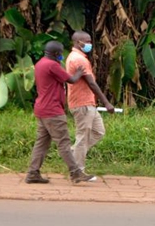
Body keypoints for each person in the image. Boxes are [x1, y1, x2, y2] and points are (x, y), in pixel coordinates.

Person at [26, 41, 95, 184]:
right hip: (53, 111)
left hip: (41, 109)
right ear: (57, 54)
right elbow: (71, 80)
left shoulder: (40, 63)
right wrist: (79, 72)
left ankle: (33, 173)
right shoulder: (52, 65)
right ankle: (75, 172)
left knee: (41, 143)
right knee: (63, 143)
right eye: (60, 53)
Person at [66, 31, 115, 176]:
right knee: (82, 136)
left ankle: (73, 153)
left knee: (98, 132)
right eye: (87, 41)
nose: (89, 44)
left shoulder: (76, 57)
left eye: (90, 41)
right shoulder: (78, 59)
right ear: (78, 42)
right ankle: (77, 171)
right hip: (82, 104)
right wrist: (107, 103)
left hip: (88, 103)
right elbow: (92, 83)